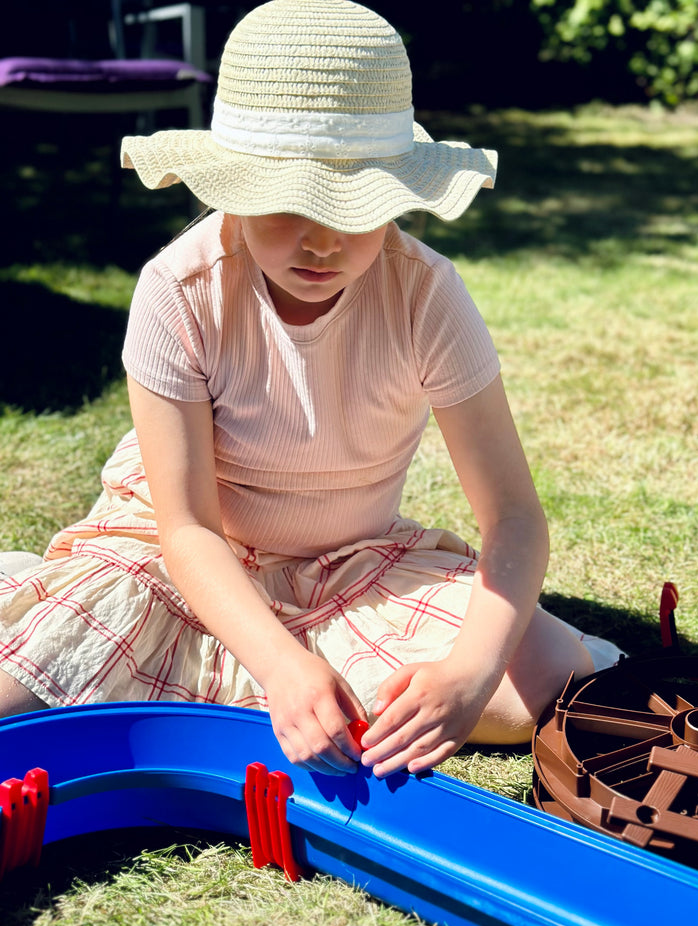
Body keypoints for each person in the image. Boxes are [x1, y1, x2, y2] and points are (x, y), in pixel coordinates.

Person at [0, 0, 614, 780]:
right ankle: (261, 674)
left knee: (545, 677)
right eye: (290, 205)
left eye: (352, 209)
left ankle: (250, 679)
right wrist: (282, 663)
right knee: (22, 688)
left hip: (350, 565)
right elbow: (187, 530)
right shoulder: (179, 290)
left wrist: (465, 677)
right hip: (178, 563)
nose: (322, 240)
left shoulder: (425, 293)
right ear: (232, 188)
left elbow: (516, 517)